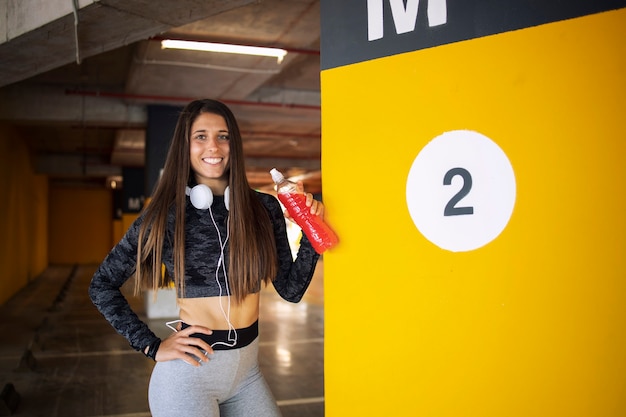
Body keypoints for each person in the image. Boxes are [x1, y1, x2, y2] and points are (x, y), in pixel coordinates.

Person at [88, 98, 323, 417]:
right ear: (185, 146)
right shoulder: (165, 216)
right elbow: (102, 285)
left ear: (233, 144)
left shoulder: (263, 208)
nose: (213, 145)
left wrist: (312, 230)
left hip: (247, 375)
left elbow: (290, 290)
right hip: (188, 378)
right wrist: (152, 345)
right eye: (200, 136)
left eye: (223, 135)